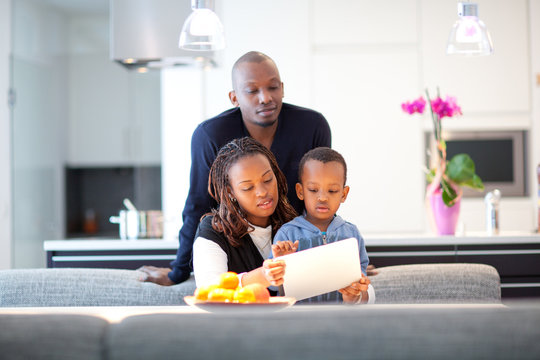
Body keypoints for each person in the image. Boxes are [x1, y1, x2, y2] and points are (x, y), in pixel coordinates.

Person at [138, 51, 331, 285]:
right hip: (238, 249)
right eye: (252, 91)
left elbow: (322, 197)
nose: (265, 98)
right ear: (234, 97)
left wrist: (337, 256)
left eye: (272, 87)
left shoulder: (312, 126)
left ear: (282, 87)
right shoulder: (210, 135)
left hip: (295, 252)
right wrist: (177, 272)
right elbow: (198, 204)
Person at [272, 147, 374, 304]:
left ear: (344, 194)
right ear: (300, 191)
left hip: (340, 322)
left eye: (332, 191)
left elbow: (361, 291)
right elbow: (273, 289)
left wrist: (355, 295)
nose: (323, 198)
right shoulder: (287, 235)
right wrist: (281, 267)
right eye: (313, 190)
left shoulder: (351, 234)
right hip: (298, 323)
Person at [192, 137, 297, 288]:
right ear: (230, 192)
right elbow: (210, 291)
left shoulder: (294, 224)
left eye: (267, 180)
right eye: (248, 187)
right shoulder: (213, 231)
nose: (262, 192)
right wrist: (264, 276)